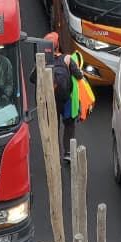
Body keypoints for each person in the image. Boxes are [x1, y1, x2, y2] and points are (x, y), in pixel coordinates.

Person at [45, 33, 84, 165]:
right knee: (69, 125)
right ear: (58, 45)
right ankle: (68, 153)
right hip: (67, 99)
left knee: (53, 127)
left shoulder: (43, 62)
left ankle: (54, 153)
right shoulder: (67, 58)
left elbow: (33, 79)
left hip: (51, 101)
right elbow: (79, 76)